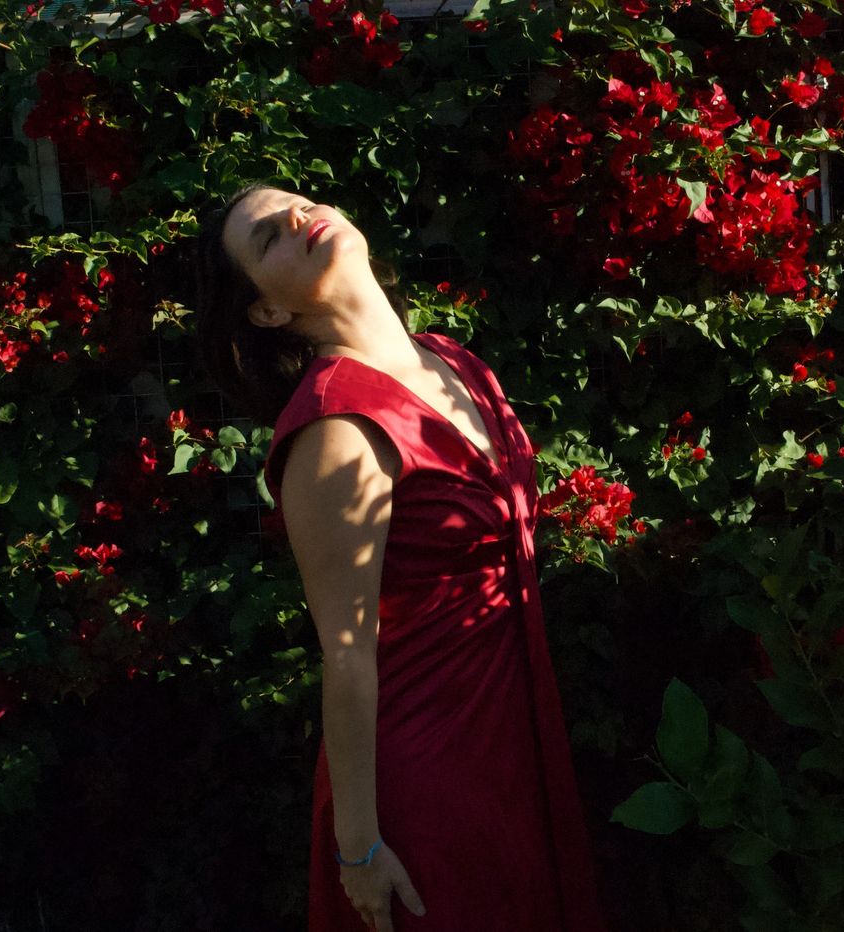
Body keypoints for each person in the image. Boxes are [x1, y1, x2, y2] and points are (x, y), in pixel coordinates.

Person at [194, 183, 609, 932]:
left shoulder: (455, 363)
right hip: (424, 777)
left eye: (295, 202)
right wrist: (358, 848)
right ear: (267, 310)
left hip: (515, 739)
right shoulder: (334, 428)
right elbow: (347, 655)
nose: (295, 218)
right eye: (268, 241)